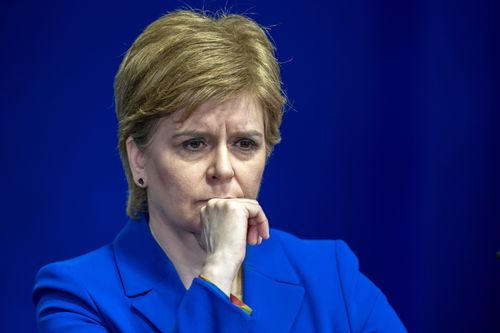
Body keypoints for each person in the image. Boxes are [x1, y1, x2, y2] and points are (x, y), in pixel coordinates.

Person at [33, 9, 407, 332]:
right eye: (194, 144)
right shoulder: (77, 295)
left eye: (245, 144)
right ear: (138, 160)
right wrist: (220, 266)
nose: (223, 170)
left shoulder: (331, 274)